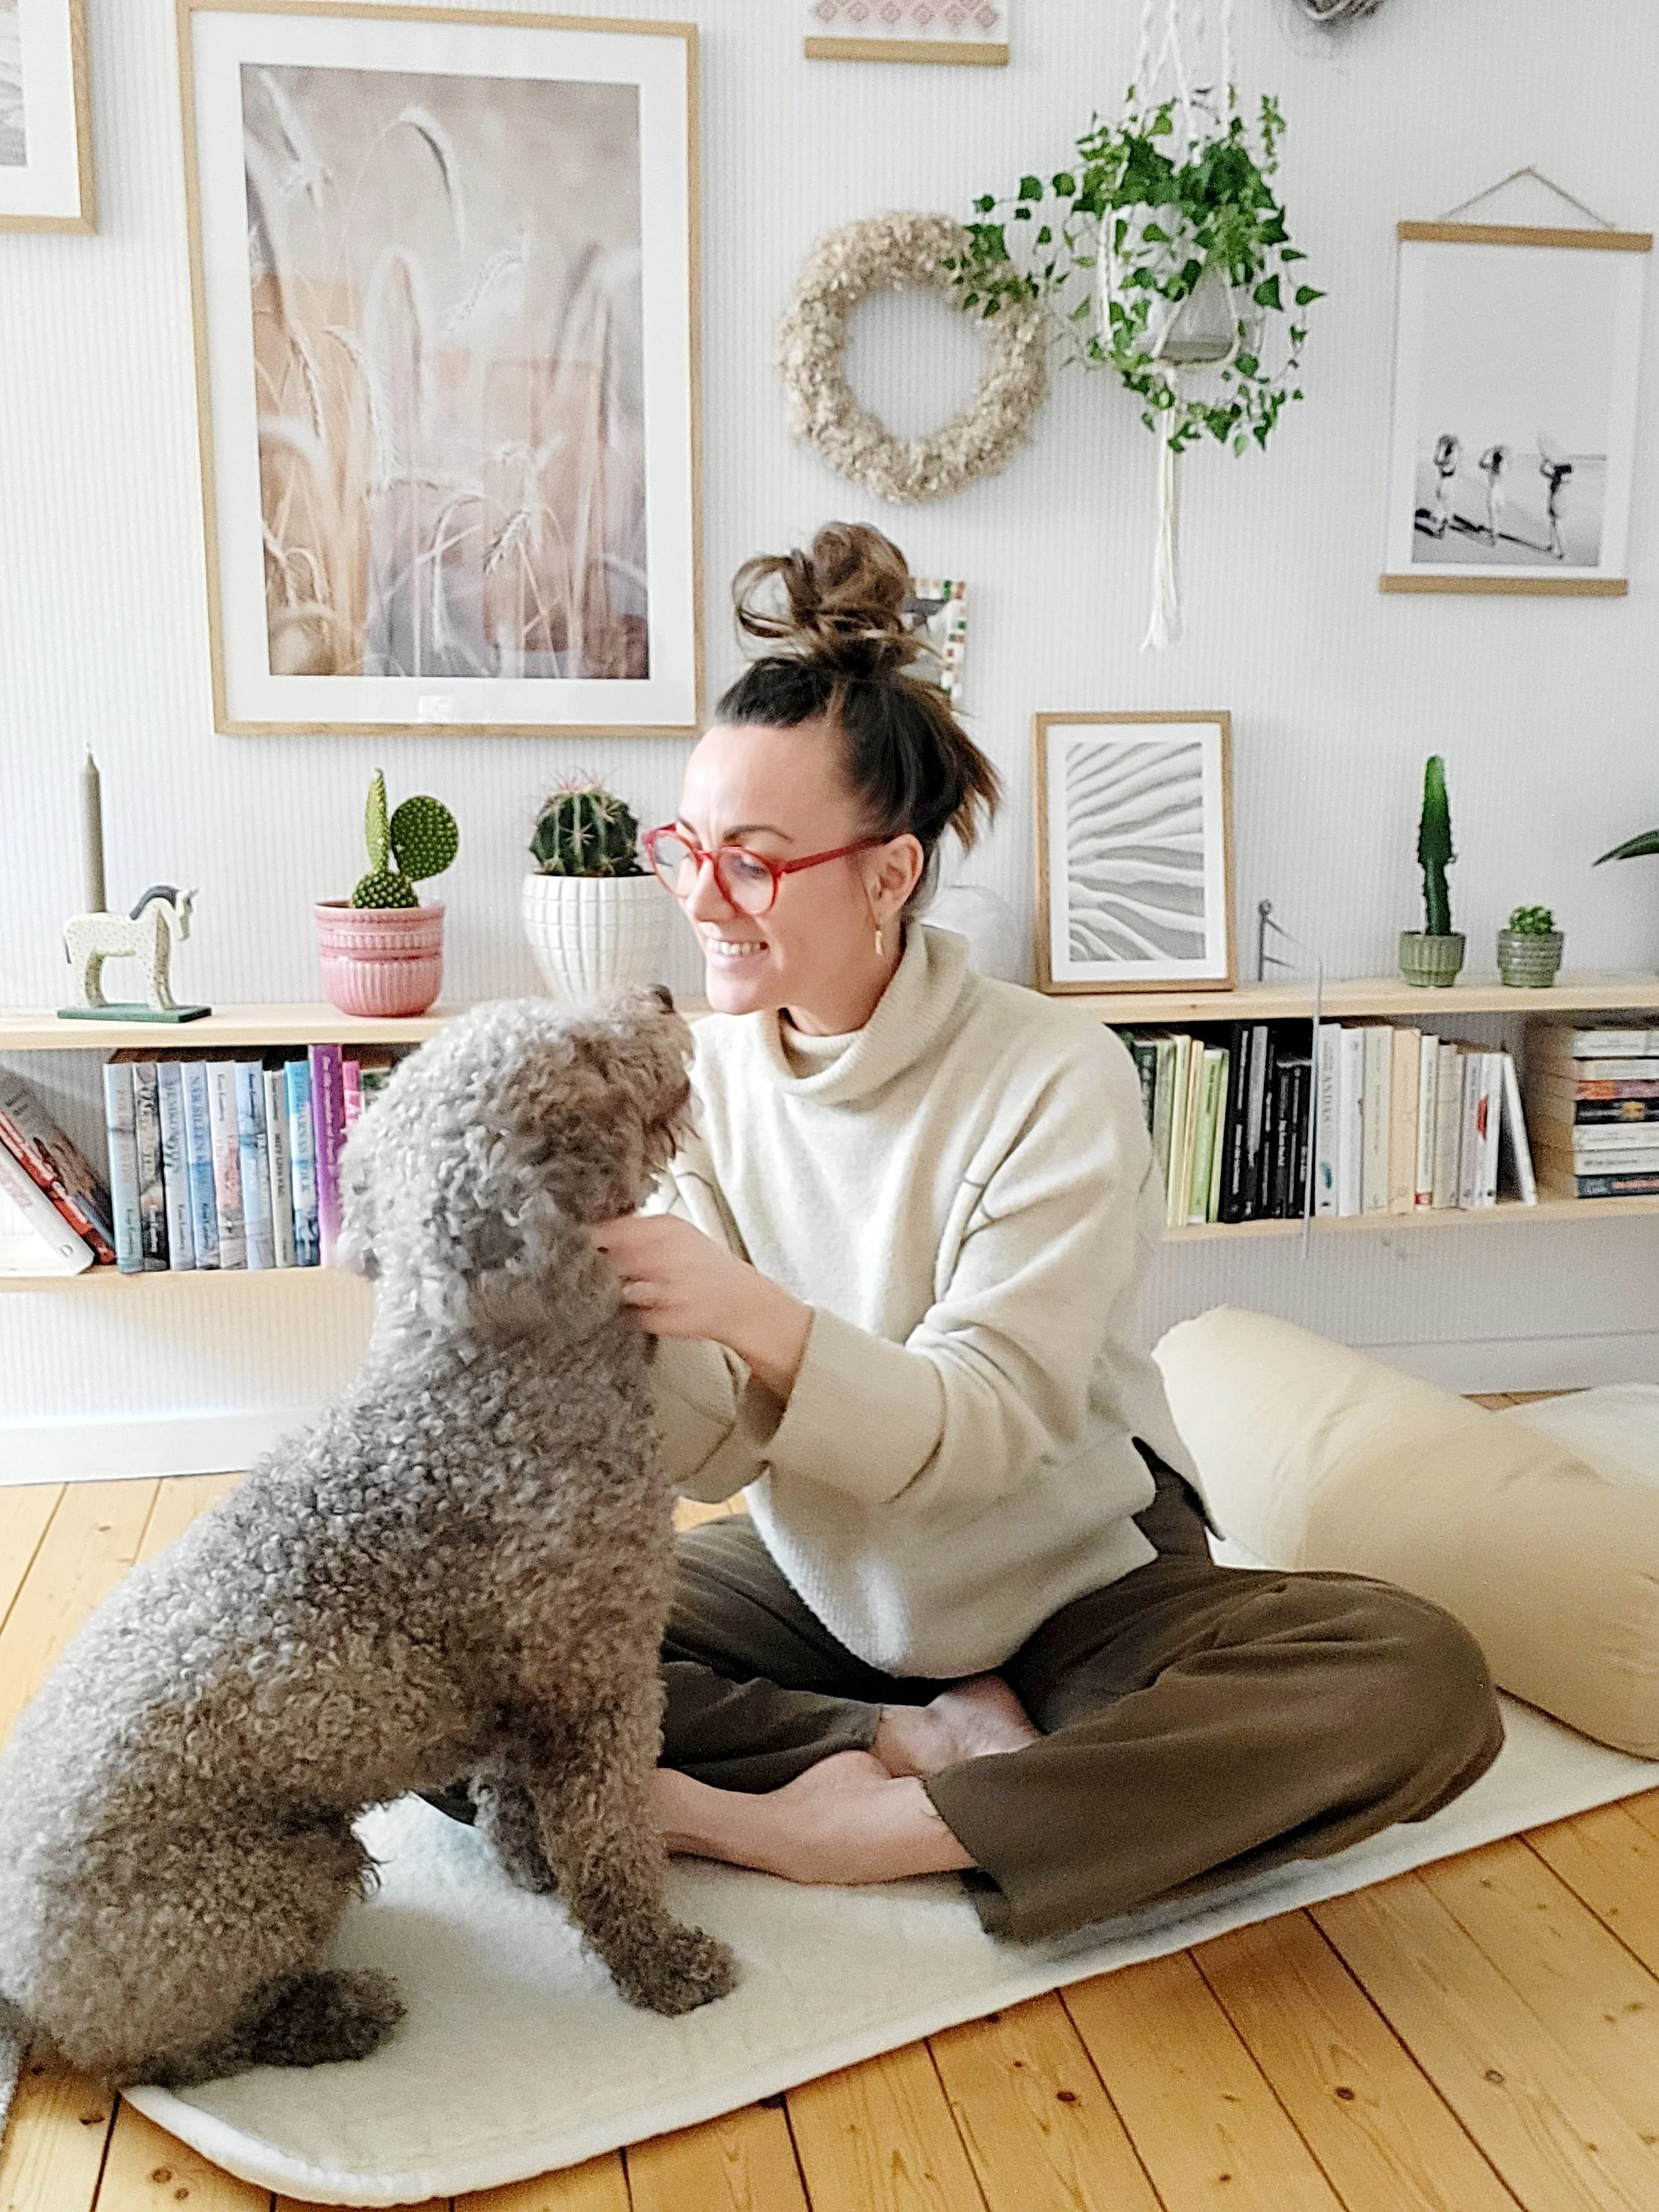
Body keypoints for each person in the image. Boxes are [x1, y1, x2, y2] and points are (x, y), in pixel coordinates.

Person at [438, 524, 1506, 1944]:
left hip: (1075, 1578)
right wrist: (600, 1322)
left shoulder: (1057, 1075)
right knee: (451, 1648)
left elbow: (987, 1432)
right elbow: (713, 1452)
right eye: (687, 848)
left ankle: (797, 1828)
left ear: (887, 876)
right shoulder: (696, 1073)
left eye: (752, 861)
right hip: (829, 1577)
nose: (698, 899)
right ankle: (917, 1745)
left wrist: (739, 1307)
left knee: (1412, 1679)